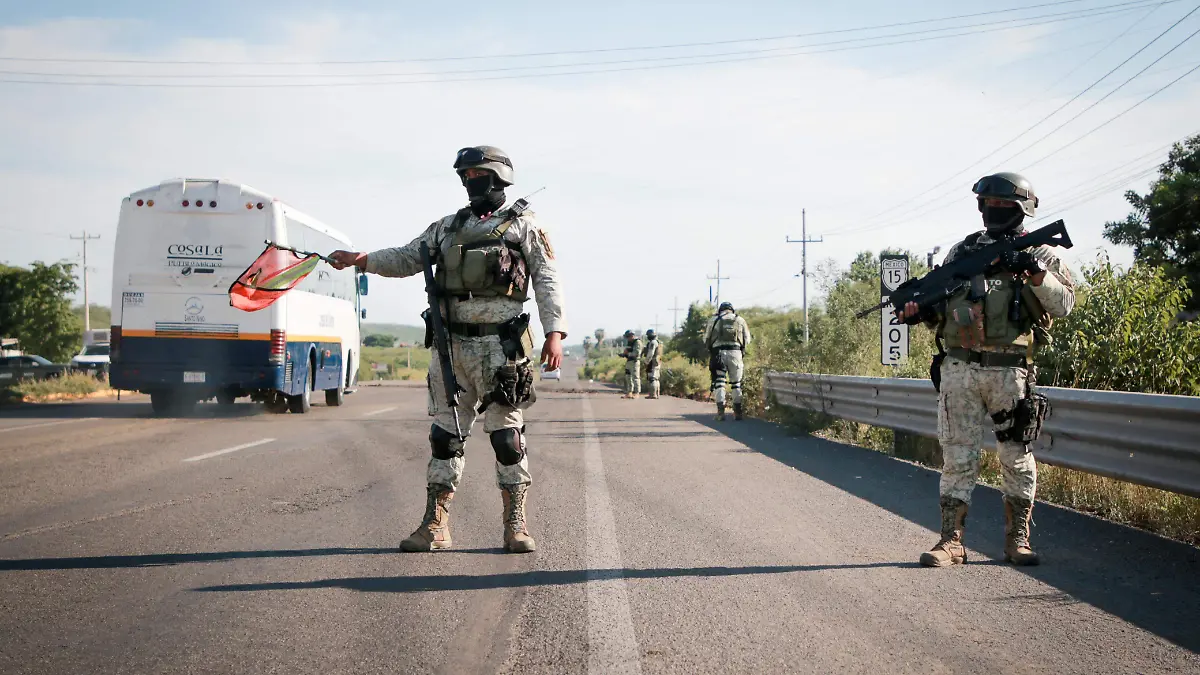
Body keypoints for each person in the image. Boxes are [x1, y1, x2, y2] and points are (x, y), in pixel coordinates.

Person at [329, 145, 567, 554]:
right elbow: (406, 257)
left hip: (501, 349)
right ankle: (435, 525)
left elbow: (546, 277)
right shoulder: (446, 227)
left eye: (478, 175)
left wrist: (555, 332)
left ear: (498, 178)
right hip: (451, 350)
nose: (470, 182)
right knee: (445, 437)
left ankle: (516, 523)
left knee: (507, 438)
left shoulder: (525, 227)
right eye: (466, 176)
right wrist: (362, 259)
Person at [899, 171, 1074, 568]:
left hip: (1012, 373)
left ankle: (1018, 541)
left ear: (1021, 209)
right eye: (988, 205)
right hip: (959, 369)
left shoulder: (1043, 253)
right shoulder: (962, 253)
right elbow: (941, 310)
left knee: (1015, 457)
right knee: (957, 456)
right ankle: (951, 542)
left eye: (1003, 206)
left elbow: (1063, 305)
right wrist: (919, 310)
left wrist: (1033, 271)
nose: (993, 212)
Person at [704, 301, 751, 420]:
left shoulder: (714, 320)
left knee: (720, 383)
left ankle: (720, 413)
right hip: (736, 353)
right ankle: (738, 412)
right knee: (736, 384)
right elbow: (747, 339)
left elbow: (706, 339)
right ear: (732, 309)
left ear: (720, 310)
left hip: (718, 353)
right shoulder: (740, 320)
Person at [620, 329, 642, 399]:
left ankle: (637, 393)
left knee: (635, 377)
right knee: (628, 377)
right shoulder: (630, 342)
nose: (627, 338)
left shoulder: (637, 342)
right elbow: (627, 350)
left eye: (628, 337)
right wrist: (623, 354)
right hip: (629, 362)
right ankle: (629, 392)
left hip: (634, 362)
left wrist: (628, 354)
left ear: (632, 336)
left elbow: (636, 353)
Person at [642, 329, 664, 399]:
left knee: (652, 378)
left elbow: (650, 353)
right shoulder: (659, 342)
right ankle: (657, 394)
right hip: (658, 361)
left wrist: (646, 362)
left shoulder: (653, 343)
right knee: (656, 378)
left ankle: (653, 394)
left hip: (653, 362)